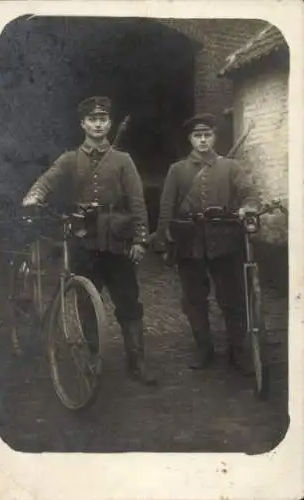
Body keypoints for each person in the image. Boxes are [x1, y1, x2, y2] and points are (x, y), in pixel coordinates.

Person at [22, 96, 156, 385]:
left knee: (129, 302)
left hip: (118, 244)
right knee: (85, 302)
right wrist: (35, 195)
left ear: (108, 123)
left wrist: (140, 241)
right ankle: (94, 357)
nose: (98, 124)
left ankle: (137, 361)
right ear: (82, 124)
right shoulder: (69, 158)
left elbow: (137, 202)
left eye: (103, 119)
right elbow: (47, 180)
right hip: (83, 242)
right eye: (92, 119)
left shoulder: (123, 161)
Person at [153, 113, 259, 373]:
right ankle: (204, 349)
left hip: (225, 241)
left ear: (214, 137)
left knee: (232, 299)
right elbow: (166, 207)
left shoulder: (230, 167)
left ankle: (238, 352)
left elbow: (249, 193)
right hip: (189, 244)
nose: (202, 141)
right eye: (197, 136)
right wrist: (163, 238)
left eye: (207, 135)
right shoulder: (177, 170)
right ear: (190, 139)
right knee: (194, 300)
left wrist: (249, 207)